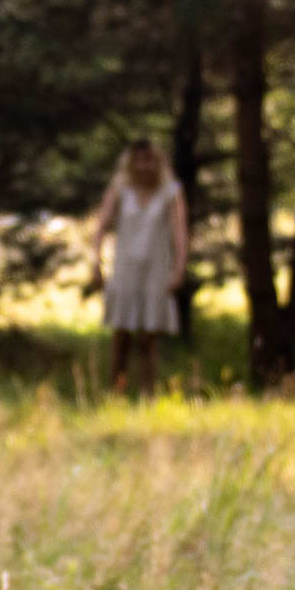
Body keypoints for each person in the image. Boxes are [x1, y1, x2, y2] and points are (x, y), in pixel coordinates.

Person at [89, 139, 187, 397]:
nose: (144, 166)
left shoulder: (171, 191)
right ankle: (116, 394)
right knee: (121, 336)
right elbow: (101, 225)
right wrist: (95, 262)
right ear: (131, 163)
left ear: (158, 162)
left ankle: (148, 395)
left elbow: (180, 232)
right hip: (125, 269)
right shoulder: (121, 188)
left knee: (148, 338)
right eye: (139, 160)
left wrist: (178, 268)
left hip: (155, 270)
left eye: (149, 160)